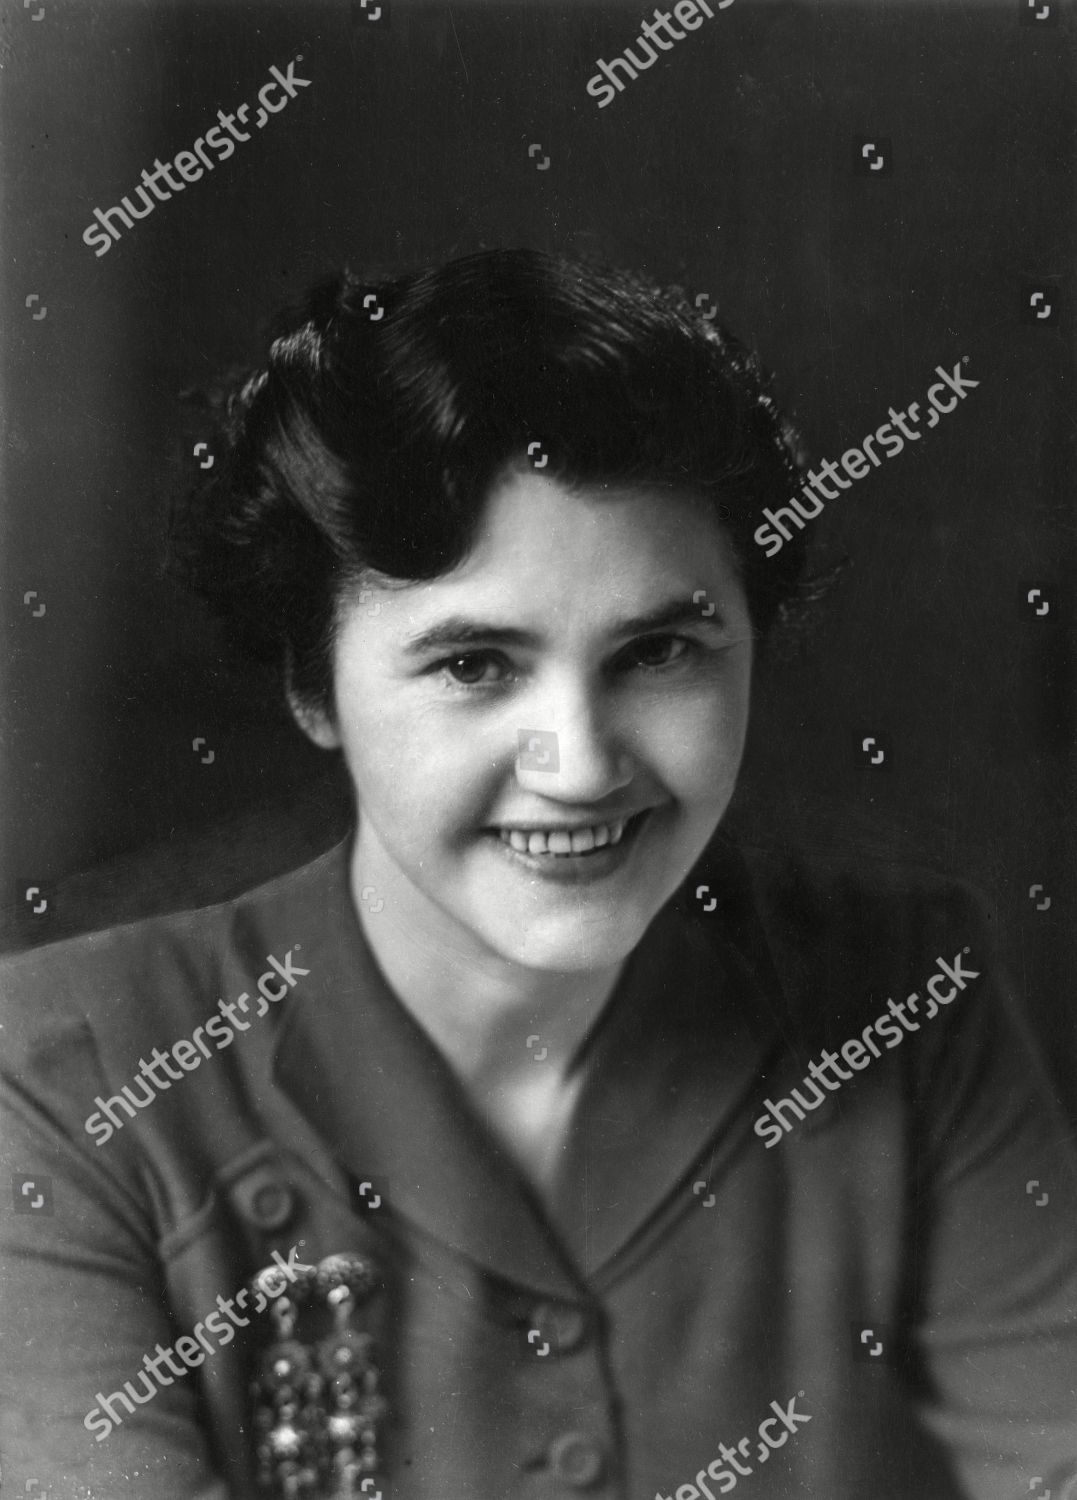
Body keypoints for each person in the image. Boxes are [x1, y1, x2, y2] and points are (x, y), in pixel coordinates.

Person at [1, 248, 1075, 1500]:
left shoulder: (905, 996)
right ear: (315, 689)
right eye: (474, 666)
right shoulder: (60, 1086)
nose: (578, 767)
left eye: (660, 650)